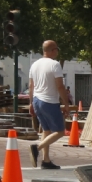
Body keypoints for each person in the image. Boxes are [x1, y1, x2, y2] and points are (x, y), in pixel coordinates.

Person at [27, 40, 73, 169]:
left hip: (37, 100)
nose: (58, 52)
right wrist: (66, 103)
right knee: (60, 132)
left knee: (46, 130)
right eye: (57, 49)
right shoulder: (55, 64)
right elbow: (60, 85)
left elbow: (31, 86)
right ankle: (37, 148)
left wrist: (31, 103)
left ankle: (46, 160)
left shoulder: (34, 64)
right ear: (53, 50)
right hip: (49, 101)